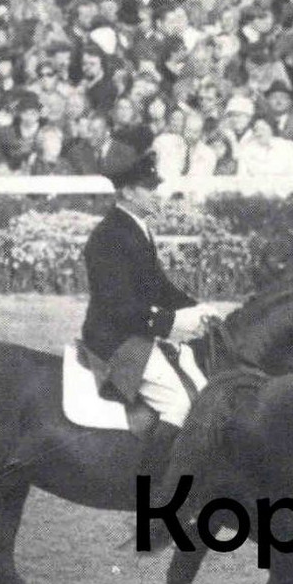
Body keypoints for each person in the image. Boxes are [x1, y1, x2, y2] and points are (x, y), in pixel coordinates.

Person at [79, 149, 200, 479]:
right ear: (128, 192)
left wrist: (197, 309)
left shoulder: (138, 228)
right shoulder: (107, 237)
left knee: (200, 383)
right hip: (115, 340)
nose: (156, 195)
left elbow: (160, 287)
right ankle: (156, 482)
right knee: (181, 402)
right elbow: (118, 307)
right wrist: (170, 322)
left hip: (137, 332)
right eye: (149, 188)